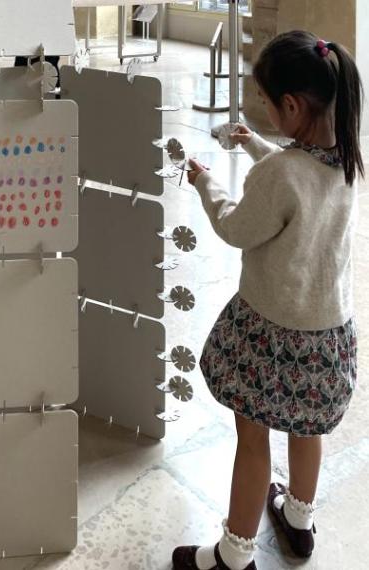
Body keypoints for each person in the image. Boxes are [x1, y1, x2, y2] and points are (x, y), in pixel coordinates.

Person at [172, 30, 362, 570]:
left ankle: (233, 555)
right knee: (308, 430)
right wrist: (254, 143)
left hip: (272, 336)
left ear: (293, 105)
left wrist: (207, 183)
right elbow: (296, 176)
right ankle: (299, 521)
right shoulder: (346, 158)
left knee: (252, 437)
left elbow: (238, 226)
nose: (264, 114)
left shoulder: (282, 174)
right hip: (327, 338)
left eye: (267, 104)